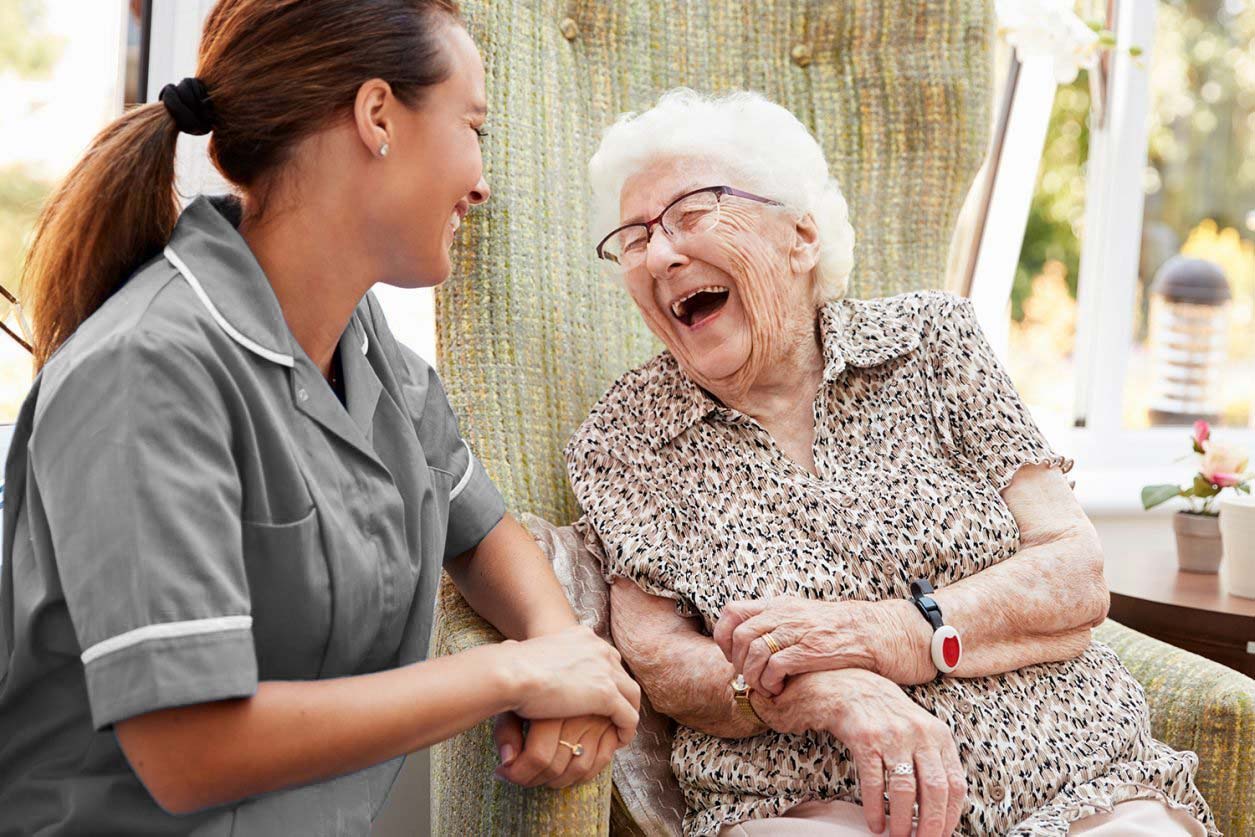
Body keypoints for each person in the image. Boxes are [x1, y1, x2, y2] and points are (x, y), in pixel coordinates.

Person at [0, 1, 639, 833]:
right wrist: (516, 674)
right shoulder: (145, 369)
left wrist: (566, 652)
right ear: (377, 116)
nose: (483, 181)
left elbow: (477, 530)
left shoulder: (365, 349)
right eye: (471, 126)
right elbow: (191, 749)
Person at [565, 89, 1216, 837]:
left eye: (689, 214)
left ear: (800, 236)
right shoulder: (626, 435)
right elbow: (664, 663)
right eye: (636, 237)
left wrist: (883, 636)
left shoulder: (931, 341)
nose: (662, 253)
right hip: (810, 794)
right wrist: (838, 694)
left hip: (1072, 773)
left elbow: (1072, 571)